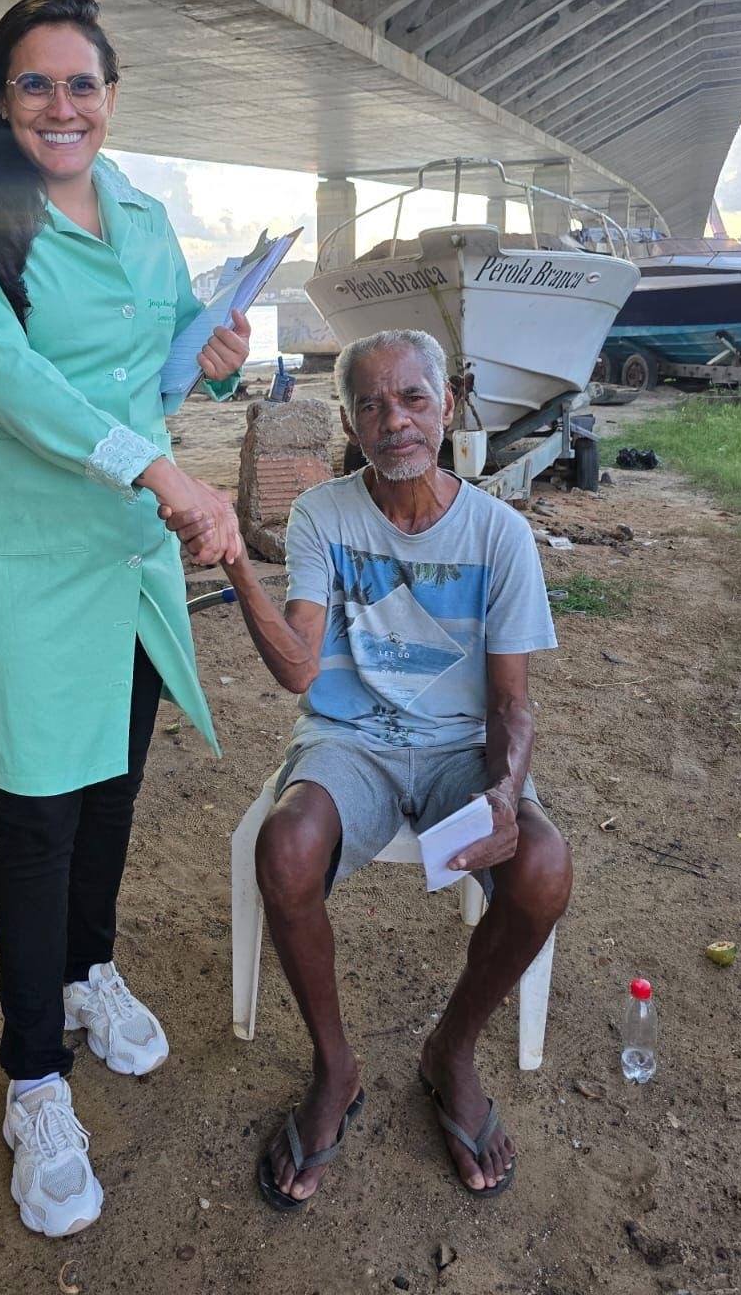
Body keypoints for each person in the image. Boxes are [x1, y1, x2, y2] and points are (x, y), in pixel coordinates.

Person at [0, 0, 248, 1238]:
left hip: (133, 551)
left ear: (111, 96)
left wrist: (209, 349)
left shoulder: (147, 215)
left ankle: (87, 970)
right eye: (37, 83)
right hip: (34, 549)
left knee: (111, 784)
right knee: (38, 815)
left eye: (84, 84)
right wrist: (163, 469)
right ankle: (34, 1074)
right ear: (2, 97)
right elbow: (8, 381)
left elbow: (164, 351)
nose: (63, 106)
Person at [166, 328, 572, 1207]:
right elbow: (300, 671)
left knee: (543, 868)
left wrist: (503, 795)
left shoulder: (500, 535)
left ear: (448, 405)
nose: (395, 422)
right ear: (350, 421)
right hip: (354, 744)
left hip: (465, 750)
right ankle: (335, 1069)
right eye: (372, 406)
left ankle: (450, 1051)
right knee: (285, 850)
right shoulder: (324, 514)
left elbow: (510, 704)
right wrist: (238, 562)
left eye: (413, 399)